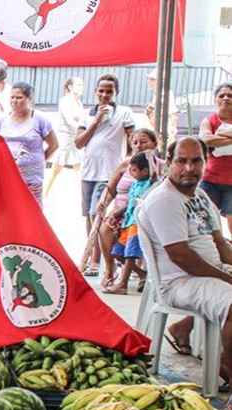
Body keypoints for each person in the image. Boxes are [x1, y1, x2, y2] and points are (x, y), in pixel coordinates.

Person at [139, 137, 232, 383]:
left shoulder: (200, 195)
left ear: (205, 162)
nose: (189, 168)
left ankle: (184, 329)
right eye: (181, 161)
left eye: (196, 161)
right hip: (179, 281)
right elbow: (181, 256)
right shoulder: (165, 200)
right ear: (169, 162)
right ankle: (226, 366)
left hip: (207, 273)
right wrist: (226, 278)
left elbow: (220, 244)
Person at [88, 128, 161, 284]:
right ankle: (110, 269)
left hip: (145, 214)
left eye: (144, 142)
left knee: (135, 235)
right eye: (135, 142)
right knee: (105, 228)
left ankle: (134, 276)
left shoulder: (159, 167)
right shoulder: (125, 164)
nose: (139, 145)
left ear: (154, 144)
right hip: (122, 213)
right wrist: (104, 204)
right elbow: (110, 189)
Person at [75, 73, 134, 235]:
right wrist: (96, 120)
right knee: (88, 214)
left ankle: (98, 249)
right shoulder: (87, 114)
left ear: (116, 93)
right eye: (101, 91)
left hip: (109, 172)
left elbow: (132, 137)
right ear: (95, 91)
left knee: (96, 212)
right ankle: (91, 246)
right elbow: (78, 143)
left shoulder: (124, 112)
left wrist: (128, 160)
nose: (104, 95)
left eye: (109, 91)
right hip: (88, 171)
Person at [0, 82, 57, 201]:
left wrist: (38, 160)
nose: (14, 101)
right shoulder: (1, 120)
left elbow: (54, 145)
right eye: (12, 97)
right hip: (5, 177)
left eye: (19, 97)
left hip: (31, 179)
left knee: (31, 209)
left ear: (29, 99)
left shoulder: (40, 120)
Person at [104, 151, 155, 294]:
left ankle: (123, 284)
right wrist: (118, 213)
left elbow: (155, 173)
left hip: (138, 223)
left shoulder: (150, 184)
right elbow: (131, 203)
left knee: (130, 254)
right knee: (117, 253)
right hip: (128, 222)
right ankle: (142, 274)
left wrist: (150, 159)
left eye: (134, 170)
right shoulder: (135, 184)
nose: (131, 173)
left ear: (145, 171)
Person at [44, 77, 86, 198]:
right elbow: (70, 120)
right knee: (57, 167)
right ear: (70, 87)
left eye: (82, 85)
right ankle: (44, 193)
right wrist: (82, 128)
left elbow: (80, 119)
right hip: (65, 138)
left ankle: (83, 195)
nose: (81, 87)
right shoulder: (65, 101)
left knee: (78, 166)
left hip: (75, 137)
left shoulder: (79, 102)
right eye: (78, 85)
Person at [199, 82, 232, 235]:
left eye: (230, 95)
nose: (226, 98)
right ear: (215, 100)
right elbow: (206, 139)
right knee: (206, 220)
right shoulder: (209, 120)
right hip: (210, 179)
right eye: (221, 95)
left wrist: (218, 137)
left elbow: (212, 139)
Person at [146, 72, 179, 141]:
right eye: (149, 79)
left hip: (165, 125)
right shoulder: (157, 93)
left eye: (152, 80)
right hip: (159, 125)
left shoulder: (165, 93)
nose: (149, 82)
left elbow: (172, 113)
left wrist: (172, 129)